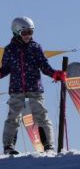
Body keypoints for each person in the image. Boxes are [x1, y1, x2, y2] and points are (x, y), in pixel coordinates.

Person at [0, 17, 66, 155]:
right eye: (25, 33)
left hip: (34, 87)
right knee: (13, 117)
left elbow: (44, 66)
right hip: (16, 89)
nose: (28, 36)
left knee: (41, 115)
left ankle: (48, 145)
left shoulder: (35, 47)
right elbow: (5, 69)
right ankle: (8, 145)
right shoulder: (10, 50)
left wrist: (55, 74)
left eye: (31, 32)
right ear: (16, 32)